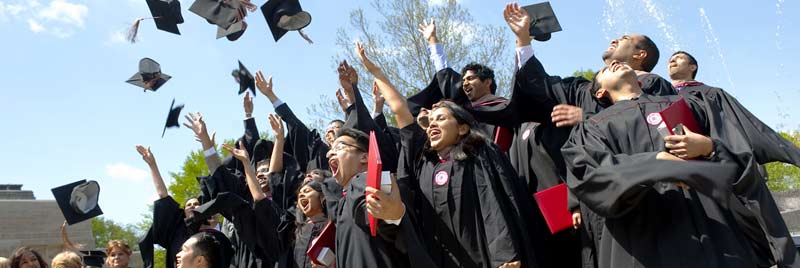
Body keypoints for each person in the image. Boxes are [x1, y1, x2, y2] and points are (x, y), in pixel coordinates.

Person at [562, 60, 769, 268]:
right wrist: (654, 162)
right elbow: (592, 175)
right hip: (641, 237)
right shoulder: (591, 130)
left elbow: (741, 156)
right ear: (600, 93)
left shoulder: (689, 104)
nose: (615, 62)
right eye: (606, 69)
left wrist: (709, 147)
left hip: (711, 228)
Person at [669, 50, 800, 267]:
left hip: (719, 172)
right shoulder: (656, 99)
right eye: (670, 59)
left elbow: (751, 129)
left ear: (692, 67)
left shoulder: (710, 93)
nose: (672, 60)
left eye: (679, 58)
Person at [135, 145, 218, 268]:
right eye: (188, 205)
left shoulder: (214, 229)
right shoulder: (176, 231)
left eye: (196, 204)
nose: (192, 206)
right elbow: (163, 195)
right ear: (183, 212)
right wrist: (152, 165)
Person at [255, 71, 333, 172]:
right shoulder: (315, 153)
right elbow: (297, 128)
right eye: (328, 130)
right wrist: (271, 96)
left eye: (335, 128)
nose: (330, 132)